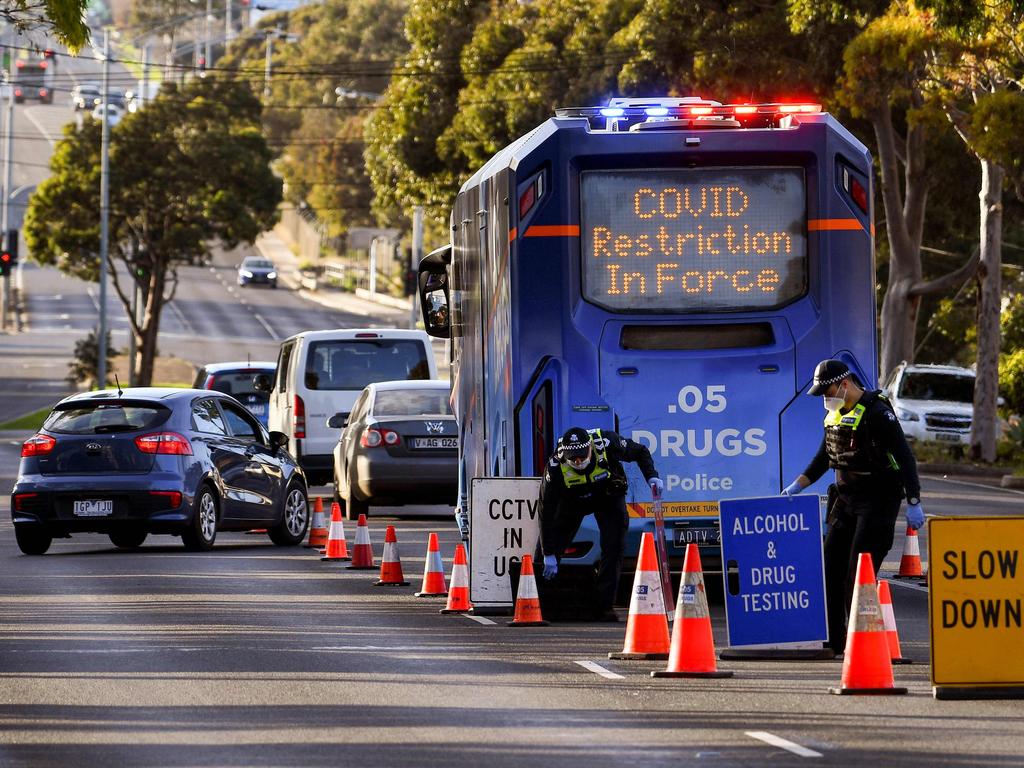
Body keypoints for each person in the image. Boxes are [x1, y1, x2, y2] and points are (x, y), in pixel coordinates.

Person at [782, 359, 925, 654]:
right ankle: (834, 641)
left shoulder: (877, 414)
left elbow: (905, 458)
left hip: (877, 500)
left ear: (844, 385)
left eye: (828, 391)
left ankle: (861, 641)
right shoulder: (835, 416)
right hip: (845, 499)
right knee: (829, 568)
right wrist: (798, 485)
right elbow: (824, 458)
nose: (825, 398)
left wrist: (913, 501)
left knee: (856, 571)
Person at [538, 426, 662, 622]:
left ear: (589, 449)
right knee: (547, 551)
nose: (578, 461)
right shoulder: (555, 466)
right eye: (573, 458)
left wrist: (651, 476)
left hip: (608, 497)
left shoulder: (606, 442)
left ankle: (604, 606)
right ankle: (539, 605)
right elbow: (546, 512)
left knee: (613, 547)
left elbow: (640, 451)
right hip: (572, 502)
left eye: (581, 456)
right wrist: (548, 552)